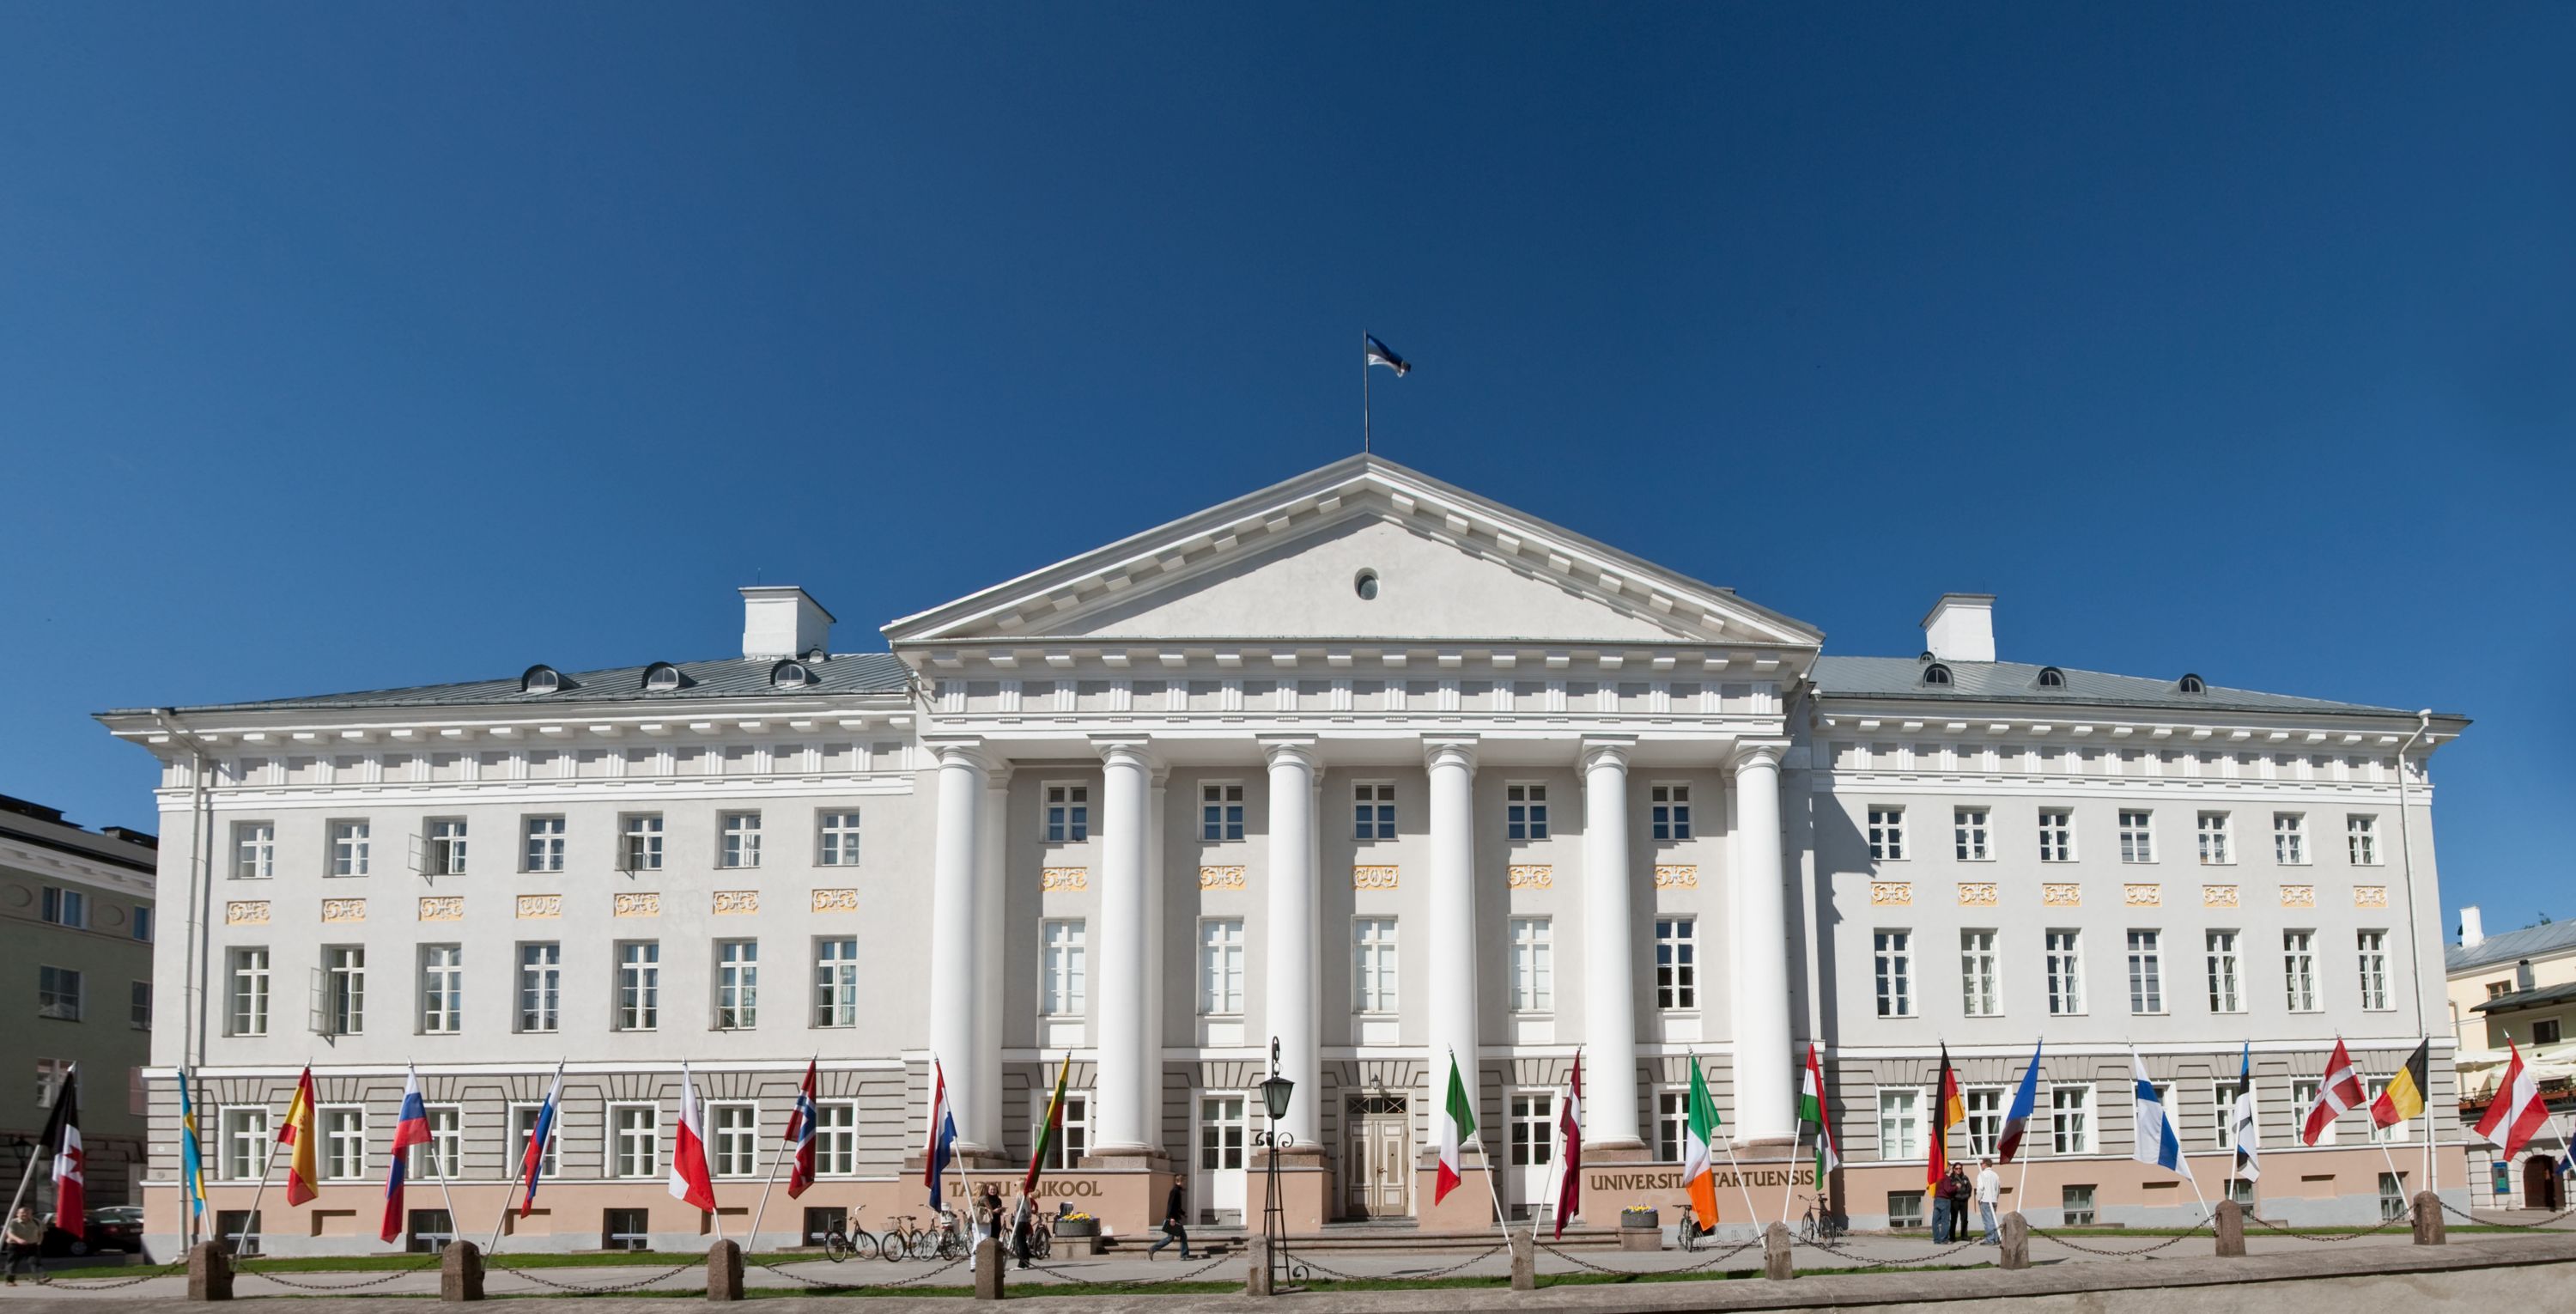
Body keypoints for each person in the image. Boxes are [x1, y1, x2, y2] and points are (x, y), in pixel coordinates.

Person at [1145, 1182, 1191, 1261]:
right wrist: (1171, 1218)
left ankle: (1152, 1249)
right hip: (1173, 1219)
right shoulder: (1174, 1191)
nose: (1184, 1183)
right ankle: (1184, 1255)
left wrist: (1183, 1213)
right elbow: (1170, 1205)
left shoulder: (1177, 1191)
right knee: (1179, 1236)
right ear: (1179, 1182)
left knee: (1172, 1238)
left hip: (1175, 1218)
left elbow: (1176, 1207)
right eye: (1183, 1181)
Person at [4, 1207, 41, 1285]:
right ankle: (10, 1281)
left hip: (32, 1245)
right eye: (22, 1213)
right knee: (12, 1263)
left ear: (31, 1214)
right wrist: (18, 1240)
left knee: (34, 1262)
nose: (25, 1214)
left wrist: (39, 1241)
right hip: (15, 1245)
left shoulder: (36, 1222)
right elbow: (10, 1234)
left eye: (27, 1213)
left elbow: (41, 1233)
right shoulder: (12, 1222)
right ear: (17, 1214)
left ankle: (39, 1279)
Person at [1976, 1158, 2002, 1244]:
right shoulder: (1996, 1175)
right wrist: (1996, 1198)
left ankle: (1990, 1239)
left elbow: (1980, 1188)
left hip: (1985, 1200)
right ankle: (1996, 1238)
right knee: (1993, 1220)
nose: (1981, 1165)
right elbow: (1998, 1189)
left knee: (1988, 1220)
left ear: (1984, 1164)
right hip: (1993, 1199)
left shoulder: (1982, 1174)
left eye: (1981, 1163)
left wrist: (1978, 1198)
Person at [1011, 1191, 1036, 1269]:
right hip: (1022, 1220)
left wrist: (1028, 1217)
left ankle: (1021, 1264)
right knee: (1023, 1243)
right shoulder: (1025, 1196)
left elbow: (1027, 1209)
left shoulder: (1021, 1195)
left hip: (1021, 1220)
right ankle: (1026, 1263)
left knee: (1020, 1243)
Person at [1930, 1167, 1956, 1243]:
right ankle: (1944, 1239)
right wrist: (1956, 1187)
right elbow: (1948, 1189)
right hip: (1944, 1200)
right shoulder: (1947, 1178)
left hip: (1937, 1199)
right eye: (1952, 1168)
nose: (1953, 1170)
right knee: (1945, 1221)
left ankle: (1937, 1239)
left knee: (1935, 1221)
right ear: (1949, 1169)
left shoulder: (1940, 1177)